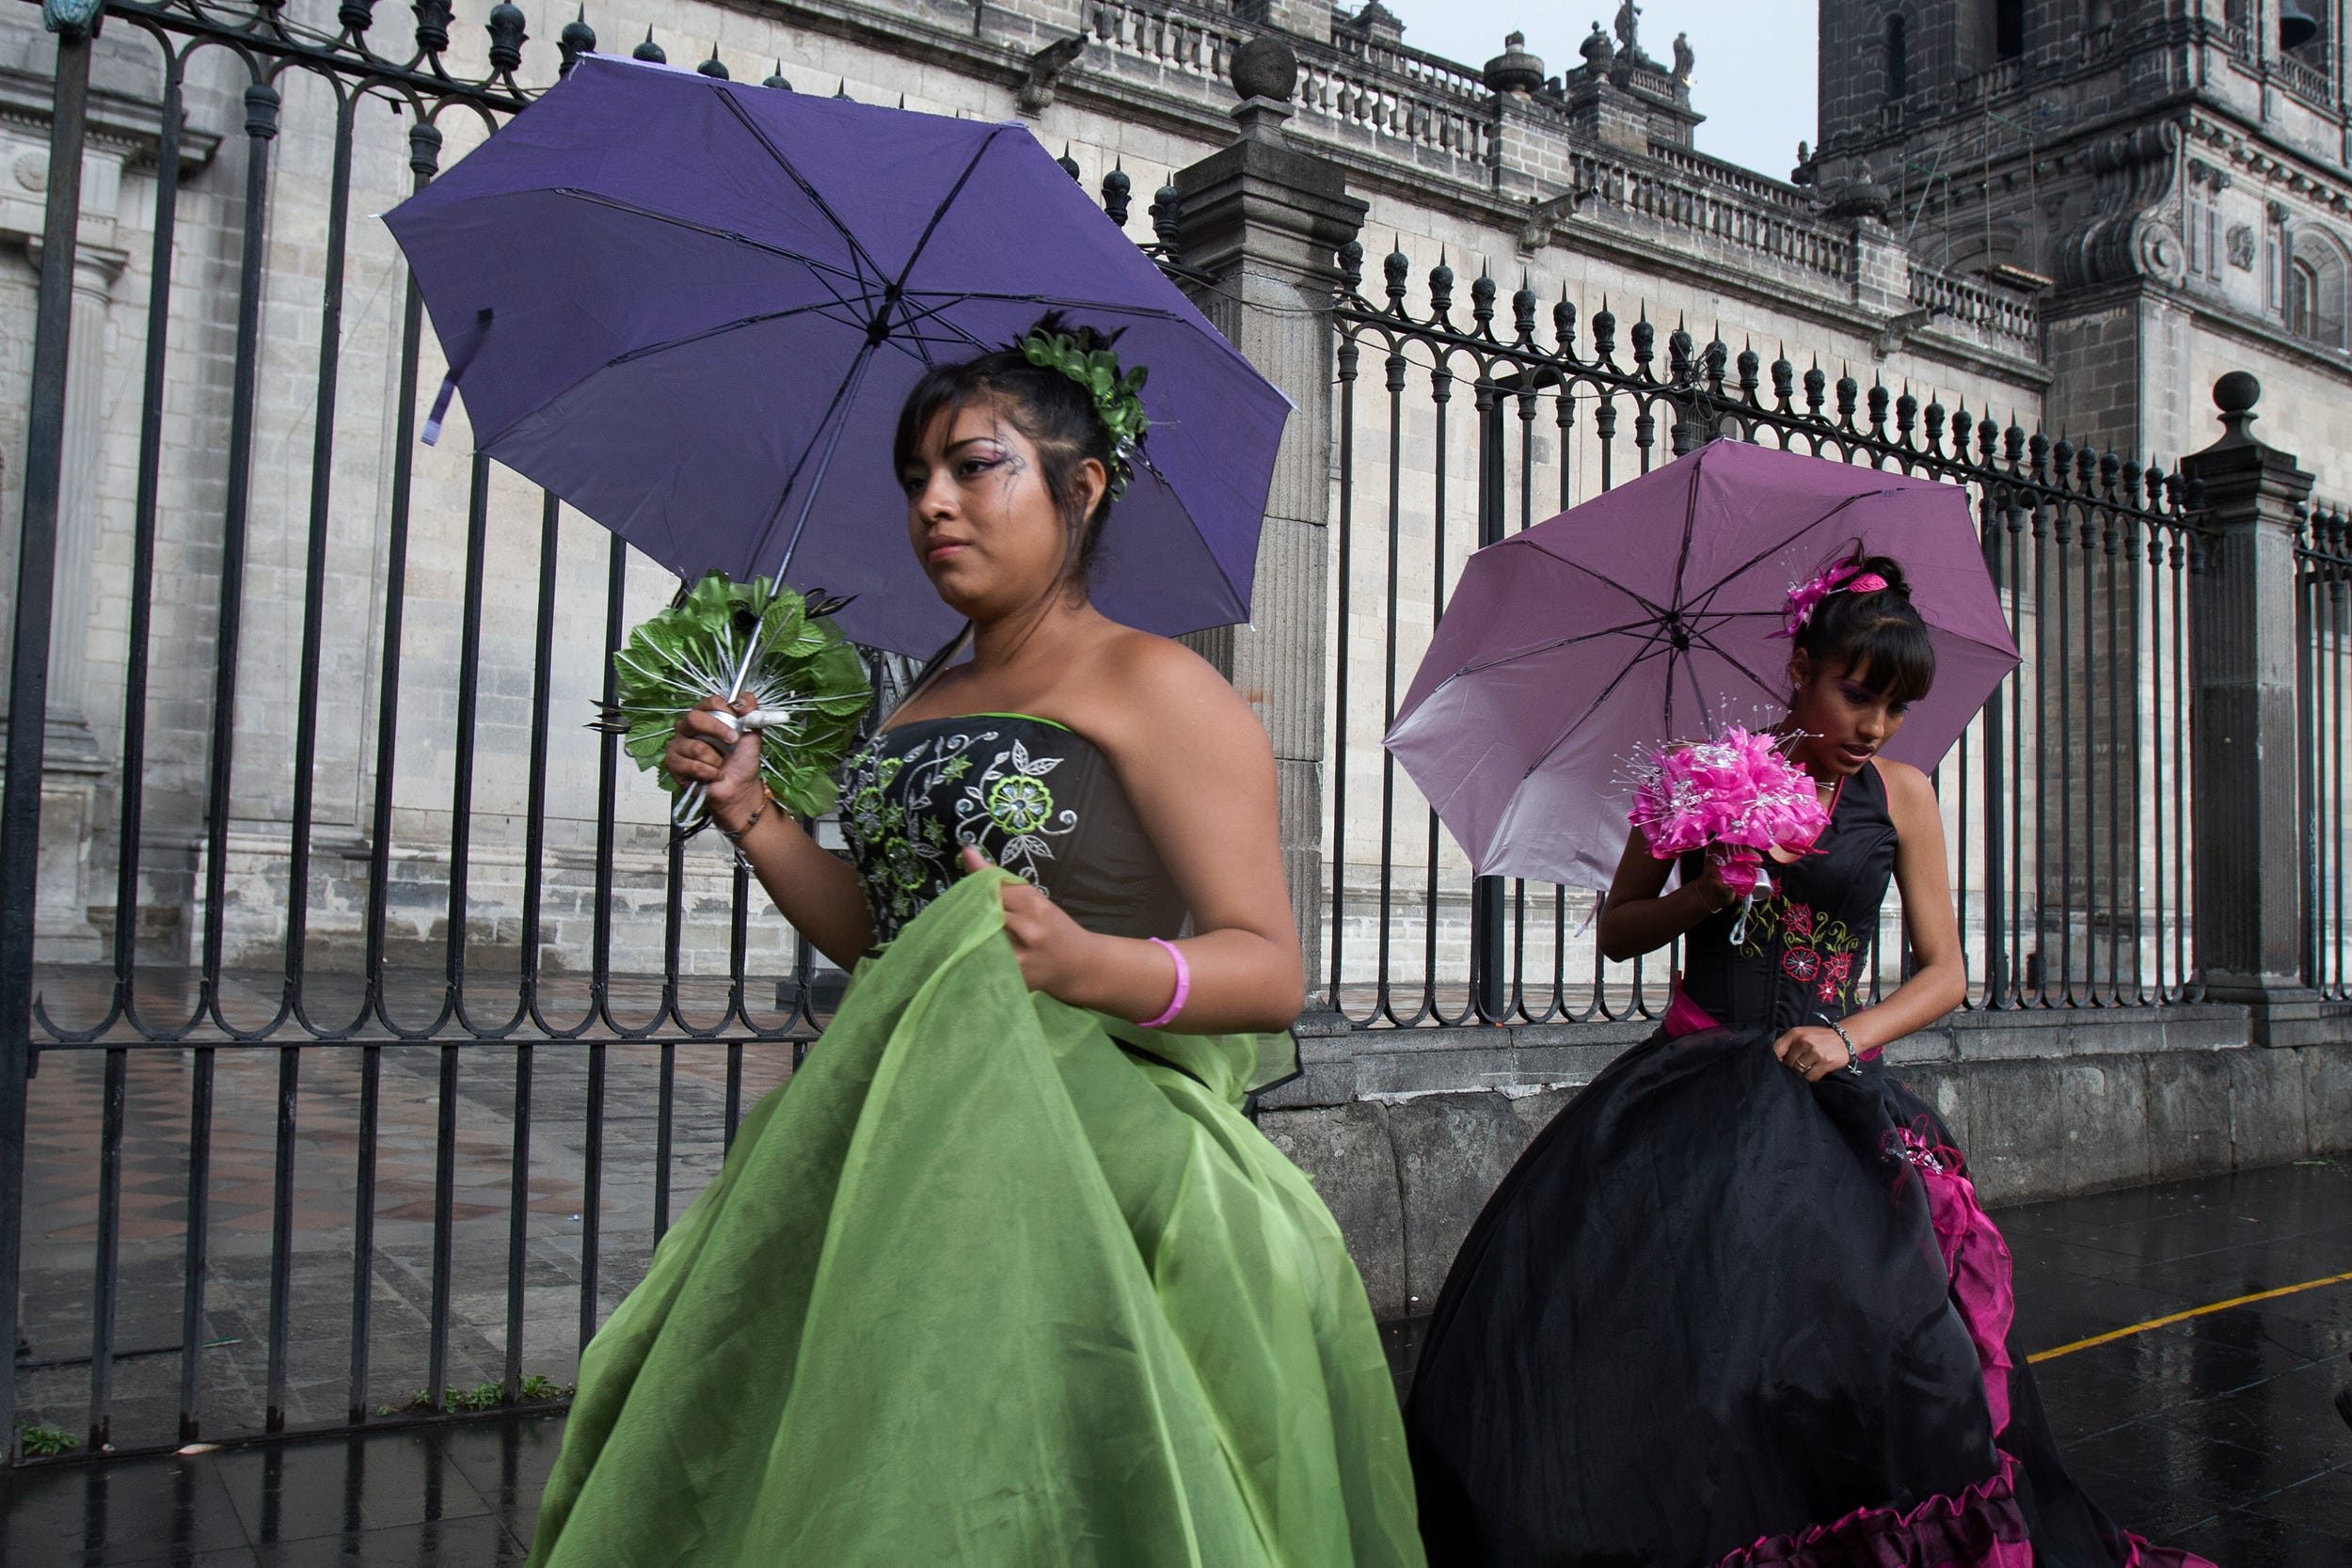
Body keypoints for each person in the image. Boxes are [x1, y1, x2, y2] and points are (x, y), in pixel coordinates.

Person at [525, 318, 1424, 1567]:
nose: (935, 502)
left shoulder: (1158, 685)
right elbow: (880, 933)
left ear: (1082, 483)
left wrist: (1090, 963)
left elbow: (1268, 964)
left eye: (974, 465)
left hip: (1092, 1154)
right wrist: (756, 814)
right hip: (885, 1125)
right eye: (915, 479)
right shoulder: (926, 695)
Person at [1402, 552, 2212, 1568]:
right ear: (1798, 666)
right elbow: (1616, 930)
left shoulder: (1902, 795)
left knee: (1890, 1347)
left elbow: (1945, 970)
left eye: (1894, 706)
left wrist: (1846, 1036)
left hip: (1830, 1093)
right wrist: (1707, 891)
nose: (1872, 725)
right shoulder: (1697, 772)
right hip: (1693, 1084)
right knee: (1675, 1351)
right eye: (1856, 694)